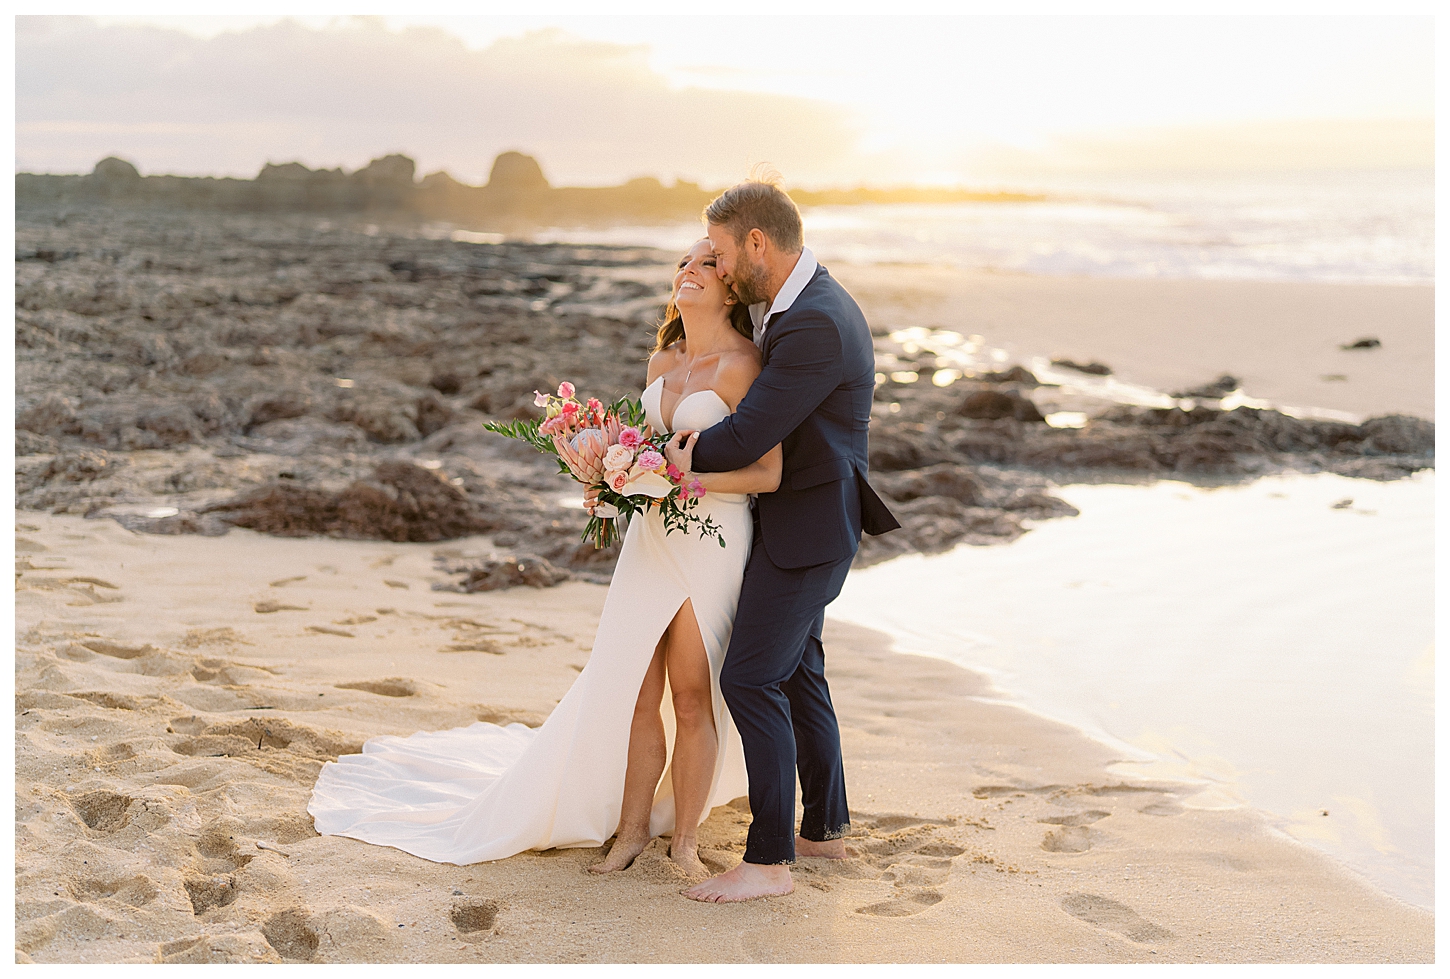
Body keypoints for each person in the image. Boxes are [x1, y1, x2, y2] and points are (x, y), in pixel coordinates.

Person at [308, 239, 782, 878]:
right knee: (635, 691)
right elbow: (640, 450)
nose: (689, 272)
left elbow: (769, 473)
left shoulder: (744, 364)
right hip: (650, 538)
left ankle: (687, 842)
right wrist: (609, 479)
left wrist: (683, 480)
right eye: (682, 264)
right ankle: (632, 830)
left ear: (729, 288)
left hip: (711, 541)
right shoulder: (662, 362)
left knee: (692, 694)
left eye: (705, 264)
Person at [663, 176, 901, 902]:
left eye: (726, 252)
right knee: (800, 672)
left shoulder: (814, 321)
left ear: (758, 242)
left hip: (808, 528)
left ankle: (768, 861)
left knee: (748, 677)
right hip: (804, 520)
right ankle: (823, 830)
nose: (722, 267)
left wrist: (665, 460)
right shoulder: (797, 303)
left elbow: (749, 433)